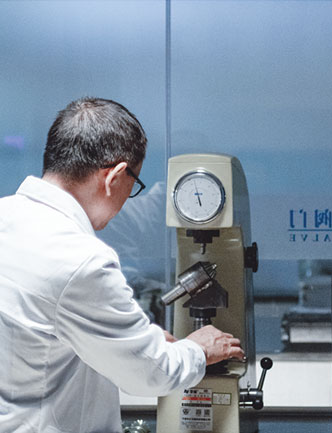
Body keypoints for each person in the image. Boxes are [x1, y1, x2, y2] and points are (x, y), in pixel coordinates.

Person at [0, 97, 244, 433]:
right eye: (134, 186)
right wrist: (198, 350)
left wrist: (135, 338)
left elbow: (44, 330)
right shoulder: (82, 259)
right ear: (114, 177)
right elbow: (149, 374)